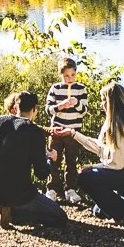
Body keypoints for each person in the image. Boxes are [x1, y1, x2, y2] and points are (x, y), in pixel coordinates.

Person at [62, 82, 124, 226]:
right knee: (98, 211)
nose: (102, 104)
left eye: (104, 100)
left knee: (85, 177)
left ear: (112, 102)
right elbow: (102, 148)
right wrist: (73, 134)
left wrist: (93, 167)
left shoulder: (118, 124)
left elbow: (116, 164)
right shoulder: (122, 120)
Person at [0, 90, 68, 229]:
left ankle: (0, 202)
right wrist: (51, 159)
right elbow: (42, 173)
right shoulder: (34, 132)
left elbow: (16, 133)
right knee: (60, 217)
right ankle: (14, 213)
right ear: (35, 109)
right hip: (18, 193)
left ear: (16, 107)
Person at [45, 57, 88, 205]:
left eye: (72, 75)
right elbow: (48, 110)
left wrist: (76, 104)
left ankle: (70, 189)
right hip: (57, 131)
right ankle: (52, 189)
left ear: (76, 74)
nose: (70, 79)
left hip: (73, 132)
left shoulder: (81, 89)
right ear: (60, 75)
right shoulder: (55, 88)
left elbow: (84, 112)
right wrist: (60, 106)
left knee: (71, 161)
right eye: (66, 76)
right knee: (53, 159)